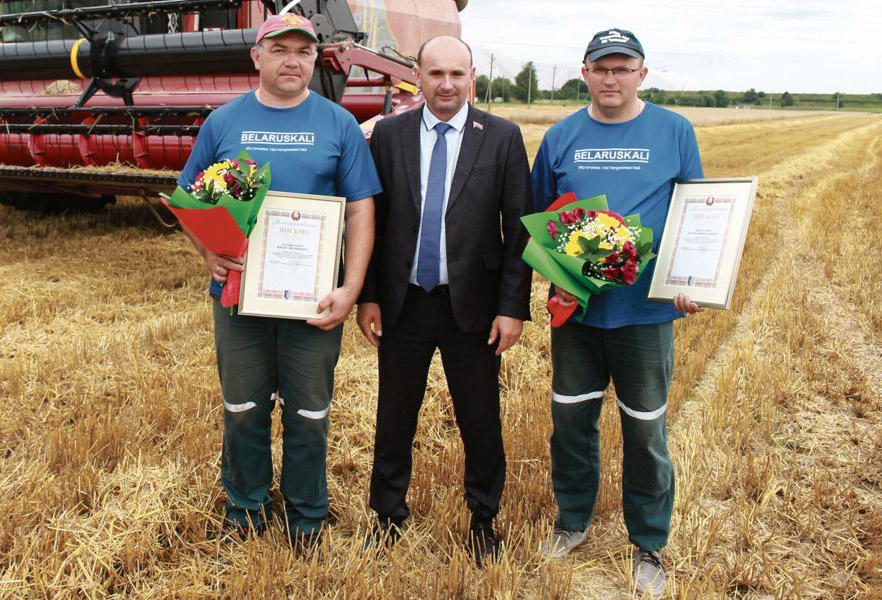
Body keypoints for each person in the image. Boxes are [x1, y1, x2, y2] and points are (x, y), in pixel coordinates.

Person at [177, 13, 381, 549]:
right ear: (257, 56)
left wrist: (352, 286)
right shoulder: (222, 123)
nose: (293, 60)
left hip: (312, 297)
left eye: (304, 52)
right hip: (240, 296)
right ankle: (245, 509)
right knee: (243, 408)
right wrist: (209, 255)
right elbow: (188, 200)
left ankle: (306, 514)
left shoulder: (338, 123)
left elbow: (361, 209)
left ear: (316, 60)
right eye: (281, 49)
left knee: (309, 412)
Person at [530, 28, 704, 596]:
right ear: (584, 73)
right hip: (577, 317)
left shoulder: (675, 131)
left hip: (646, 315)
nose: (611, 78)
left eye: (622, 68)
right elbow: (539, 221)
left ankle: (649, 543)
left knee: (645, 431)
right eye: (601, 68)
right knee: (571, 422)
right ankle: (573, 521)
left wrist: (689, 279)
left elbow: (695, 216)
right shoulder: (560, 137)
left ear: (642, 75)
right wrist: (558, 278)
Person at [356, 35, 533, 565]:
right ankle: (387, 517)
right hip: (403, 304)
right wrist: (368, 297)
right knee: (394, 419)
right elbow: (375, 222)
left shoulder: (501, 137)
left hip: (473, 309)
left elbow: (519, 231)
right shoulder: (388, 135)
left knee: (480, 420)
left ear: (472, 77)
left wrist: (511, 308)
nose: (447, 85)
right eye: (436, 74)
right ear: (418, 74)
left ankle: (484, 520)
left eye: (458, 75)